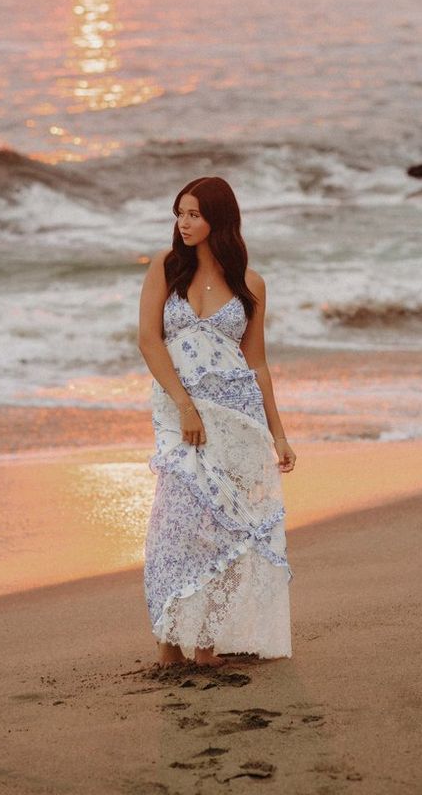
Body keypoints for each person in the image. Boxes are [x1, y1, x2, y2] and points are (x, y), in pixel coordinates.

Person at [138, 176, 296, 668]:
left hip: (237, 417)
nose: (183, 224)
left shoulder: (251, 284)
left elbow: (257, 363)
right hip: (180, 413)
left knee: (225, 529)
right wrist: (185, 406)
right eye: (179, 214)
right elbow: (148, 341)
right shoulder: (167, 269)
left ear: (218, 220)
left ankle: (206, 645)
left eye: (193, 215)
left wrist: (279, 433)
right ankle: (168, 642)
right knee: (174, 524)